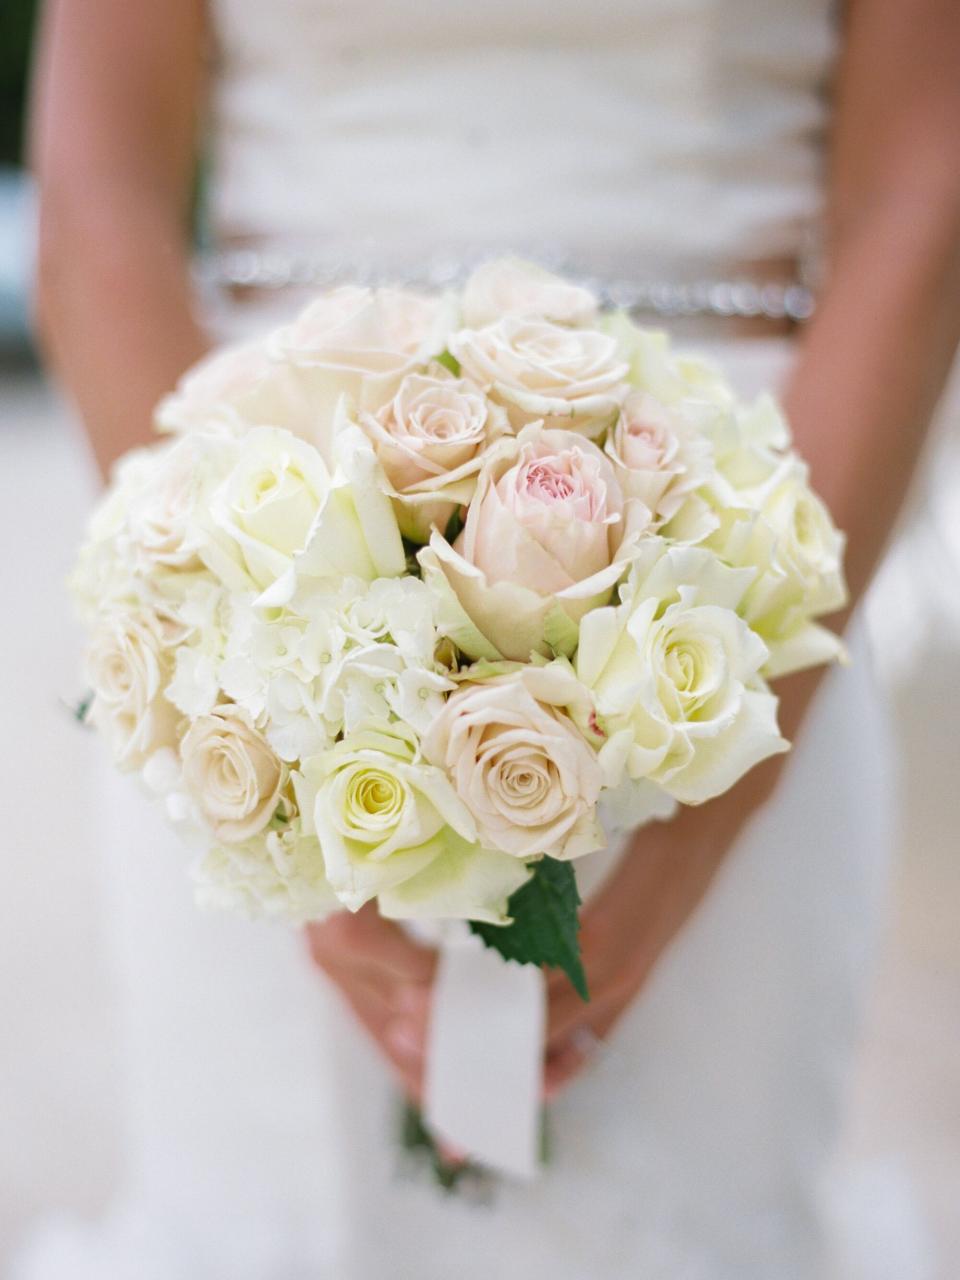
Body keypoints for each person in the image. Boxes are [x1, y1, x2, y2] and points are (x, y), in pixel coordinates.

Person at [17, 0, 960, 1276]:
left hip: (742, 580)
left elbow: (920, 196)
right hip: (270, 577)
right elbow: (99, 199)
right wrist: (232, 704)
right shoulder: (242, 667)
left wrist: (708, 813)